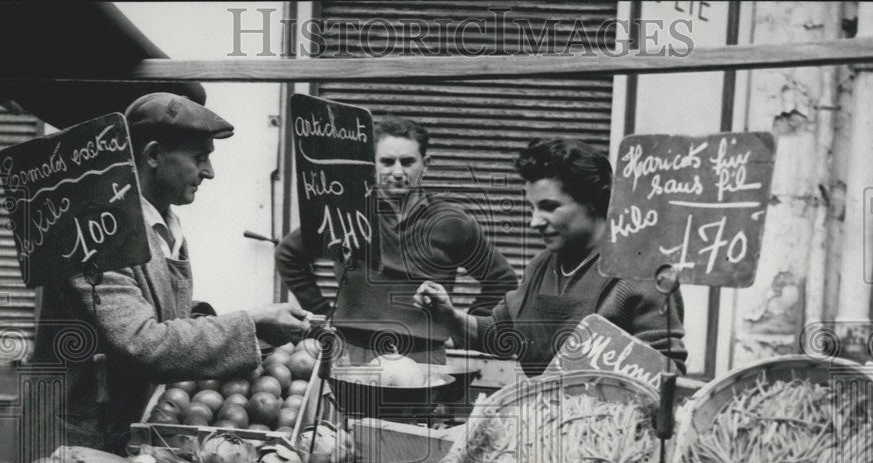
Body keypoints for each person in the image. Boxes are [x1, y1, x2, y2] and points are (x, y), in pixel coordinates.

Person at [26, 93, 311, 457]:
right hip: (76, 437)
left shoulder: (162, 226)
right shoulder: (95, 234)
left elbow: (155, 312)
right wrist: (250, 325)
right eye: (199, 158)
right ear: (154, 155)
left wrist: (229, 322)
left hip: (126, 428)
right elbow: (140, 342)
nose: (209, 172)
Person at [413, 138, 687, 378]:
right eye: (532, 208)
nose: (534, 222)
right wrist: (449, 316)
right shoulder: (542, 265)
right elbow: (498, 333)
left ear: (592, 201)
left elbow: (663, 374)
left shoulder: (642, 270)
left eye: (549, 207)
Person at [275, 114, 517, 365]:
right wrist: (323, 314)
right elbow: (288, 255)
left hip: (424, 354)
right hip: (352, 350)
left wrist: (462, 325)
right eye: (388, 162)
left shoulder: (451, 222)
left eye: (408, 161)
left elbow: (502, 279)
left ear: (426, 164)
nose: (398, 172)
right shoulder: (346, 211)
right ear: (372, 164)